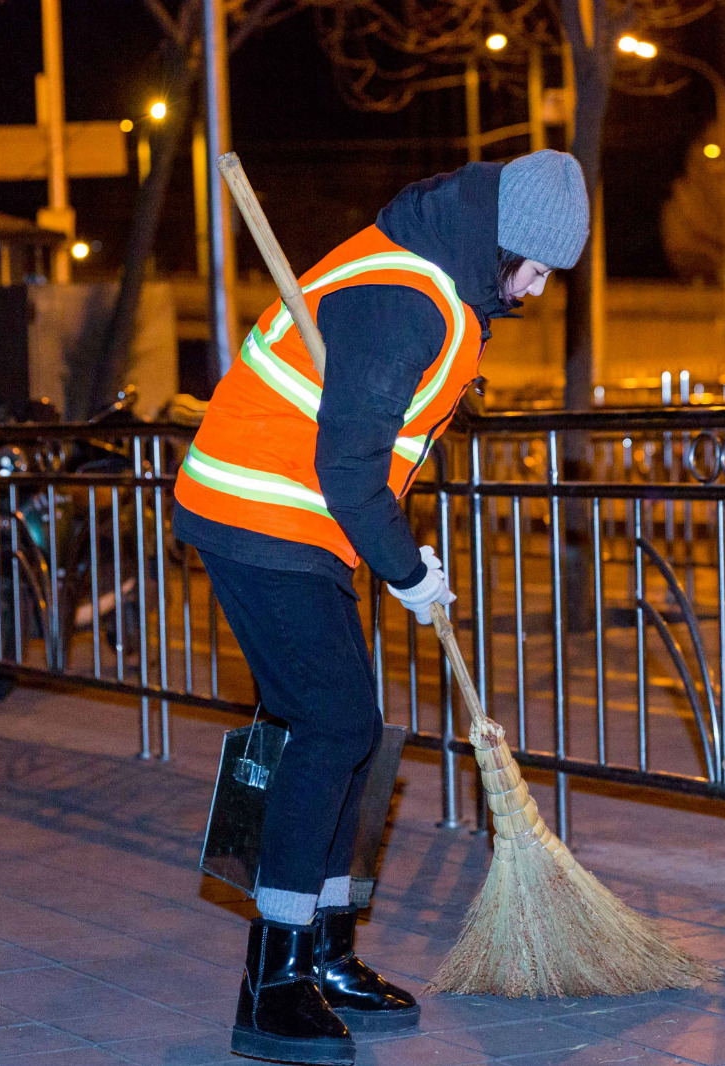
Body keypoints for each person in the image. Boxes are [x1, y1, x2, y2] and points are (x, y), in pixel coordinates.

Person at [173, 149, 587, 1065]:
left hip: (304, 519)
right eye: (542, 267)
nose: (542, 288)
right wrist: (407, 572)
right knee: (331, 724)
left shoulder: (443, 280)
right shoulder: (406, 297)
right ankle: (272, 984)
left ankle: (325, 954)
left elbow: (369, 448)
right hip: (256, 509)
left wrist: (398, 552)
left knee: (348, 731)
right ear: (506, 243)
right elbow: (349, 467)